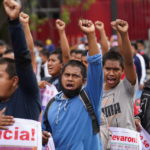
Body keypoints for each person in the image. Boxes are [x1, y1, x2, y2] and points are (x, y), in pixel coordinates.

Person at [42, 19, 103, 150]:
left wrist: (91, 35)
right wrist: (42, 138)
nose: (70, 79)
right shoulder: (51, 104)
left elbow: (96, 64)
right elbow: (43, 136)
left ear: (84, 80)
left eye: (75, 76)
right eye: (67, 75)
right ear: (61, 76)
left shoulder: (90, 97)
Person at [0, 0, 41, 129]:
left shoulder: (27, 92)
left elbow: (23, 58)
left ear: (14, 80)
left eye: (0, 76)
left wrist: (14, 22)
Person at [100, 19, 138, 149]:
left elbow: (128, 60)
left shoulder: (127, 87)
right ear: (102, 69)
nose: (111, 73)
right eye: (108, 69)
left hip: (128, 146)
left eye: (116, 69)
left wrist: (124, 34)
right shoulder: (95, 92)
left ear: (122, 71)